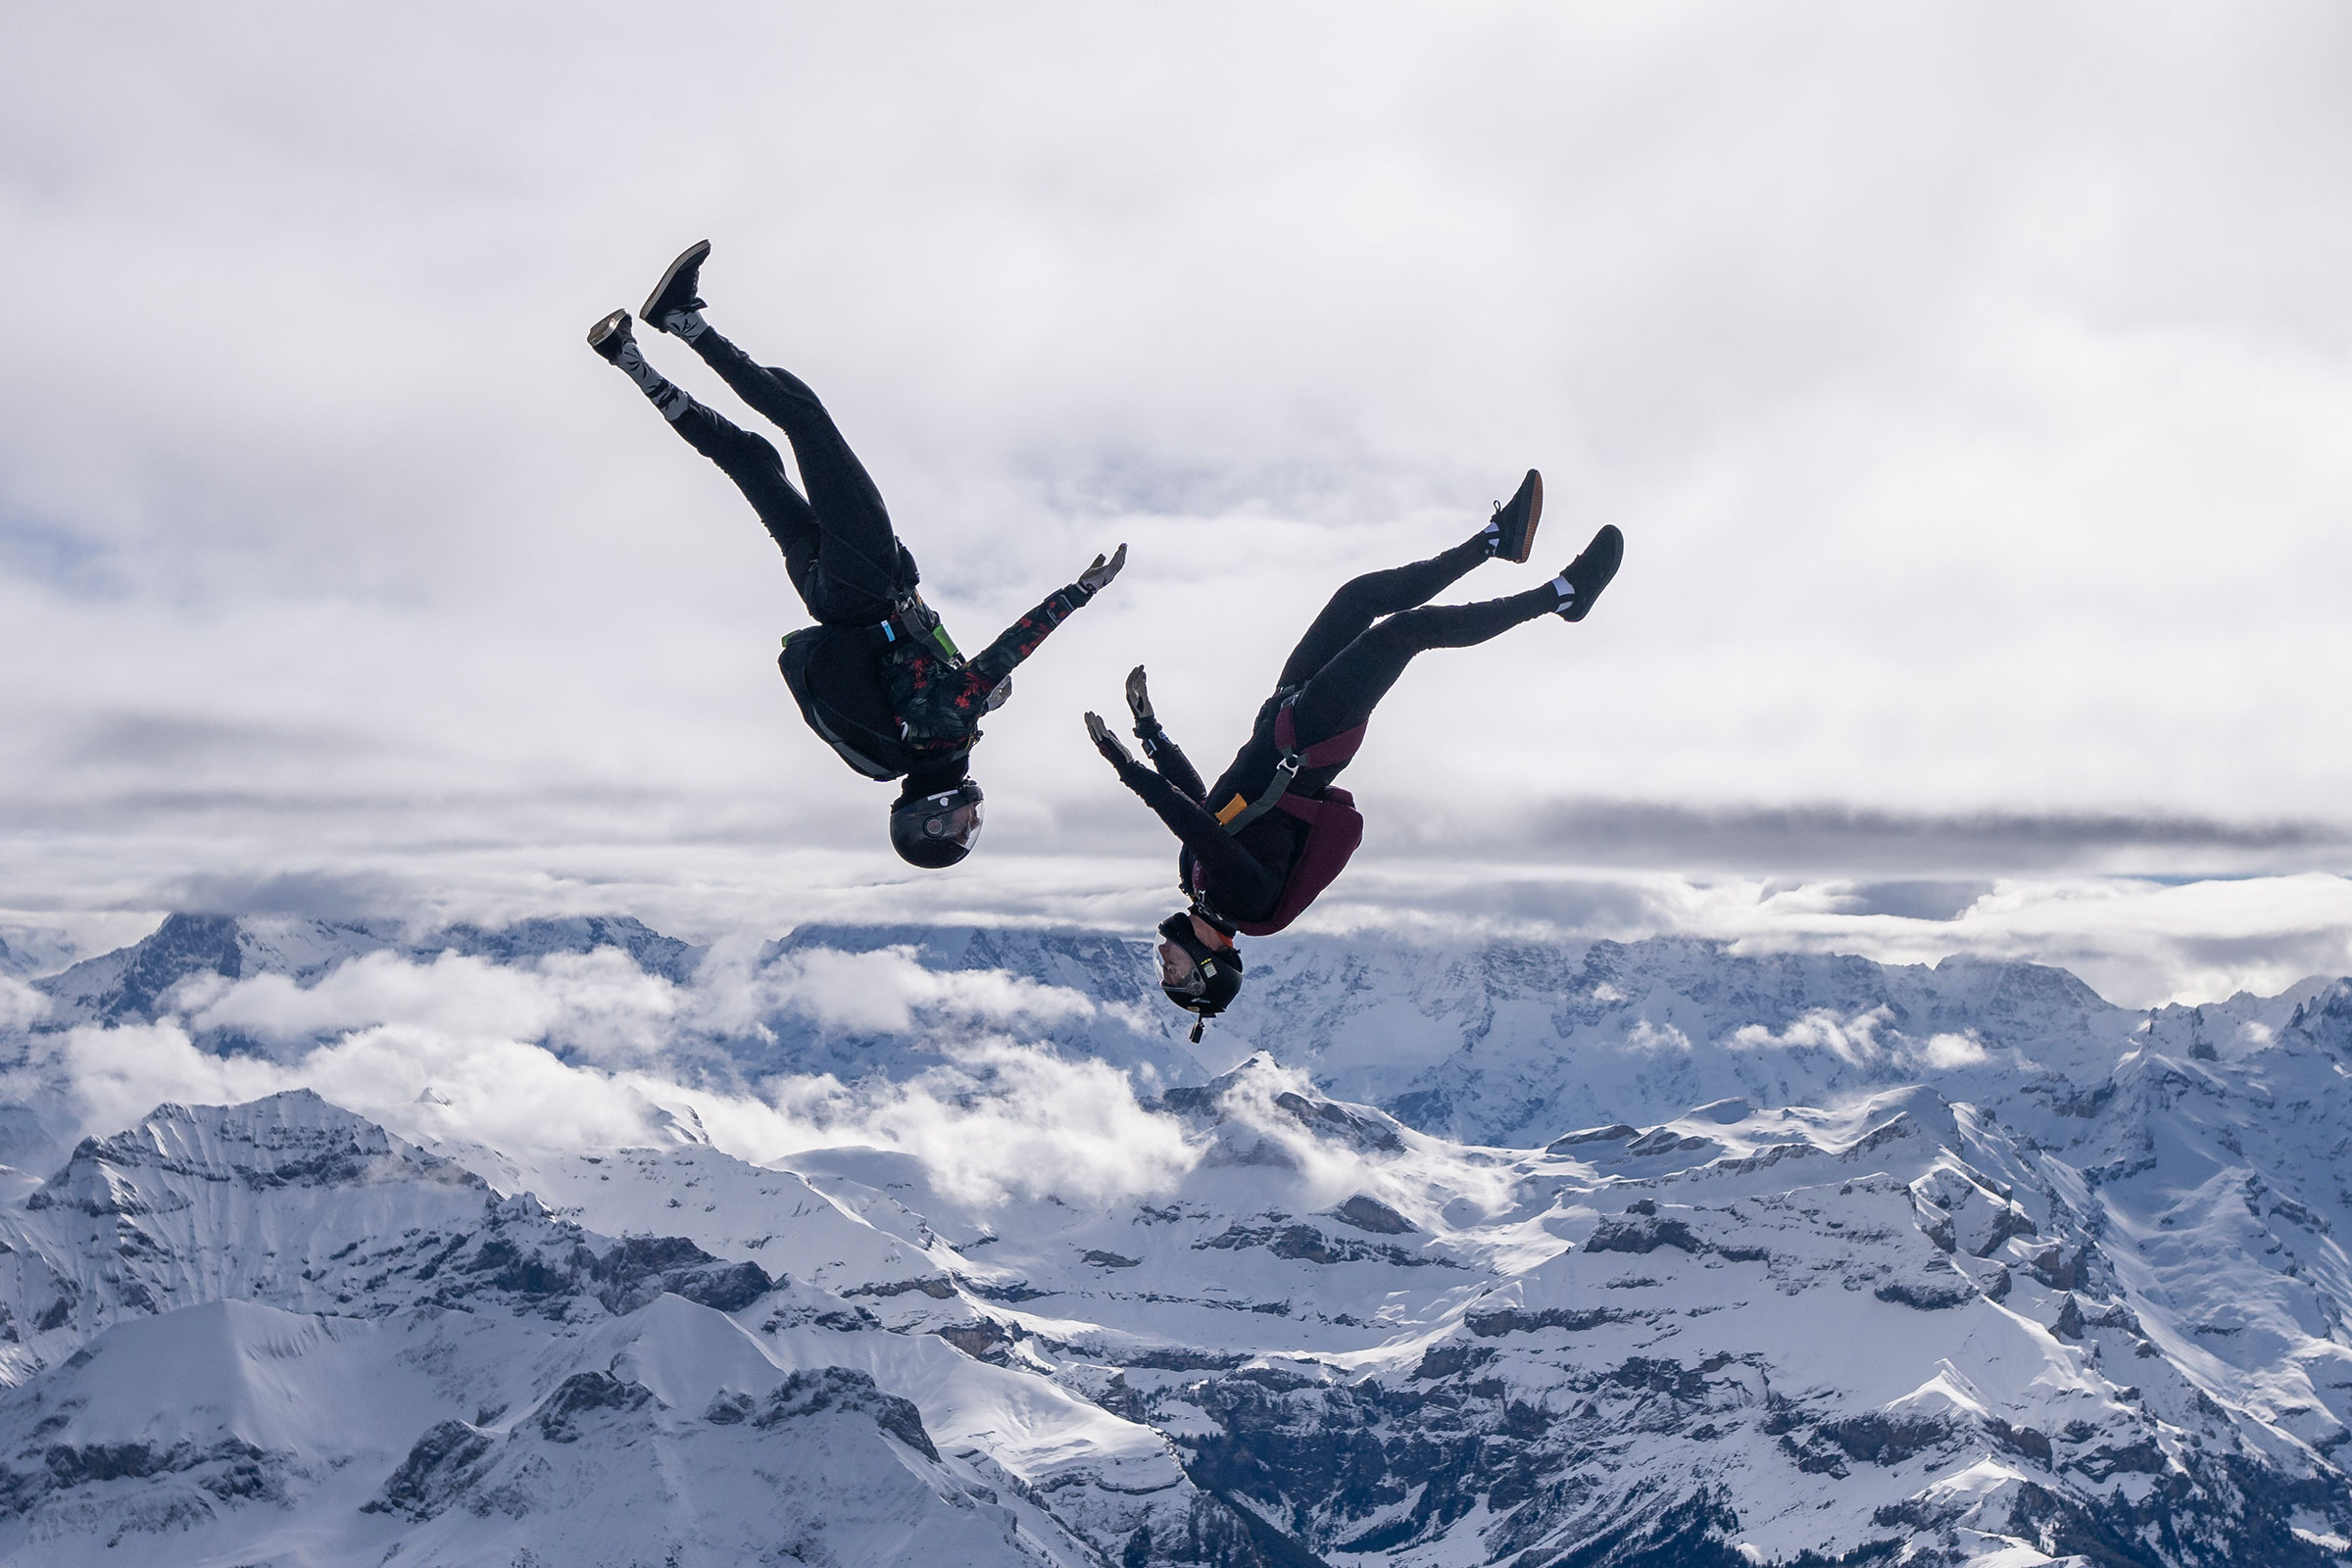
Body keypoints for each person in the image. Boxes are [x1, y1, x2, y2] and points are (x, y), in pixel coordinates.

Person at [587, 241, 1125, 866]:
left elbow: (1011, 647)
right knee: (748, 459)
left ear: (933, 813)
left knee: (806, 423)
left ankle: (683, 320)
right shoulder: (900, 755)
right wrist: (976, 692)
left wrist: (1080, 592)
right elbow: (923, 680)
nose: (972, 818)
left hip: (869, 584)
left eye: (958, 826)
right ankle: (626, 357)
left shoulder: (950, 728)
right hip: (826, 599)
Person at [1083, 473, 1621, 1032]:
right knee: (1405, 633)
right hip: (1310, 740)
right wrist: (1125, 767)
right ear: (1208, 967)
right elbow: (1198, 826)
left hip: (1282, 715)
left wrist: (1151, 733)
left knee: (1358, 598)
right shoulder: (1245, 900)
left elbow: (1202, 802)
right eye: (1174, 976)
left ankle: (1496, 540)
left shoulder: (1196, 883)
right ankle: (1561, 596)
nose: (1162, 964)